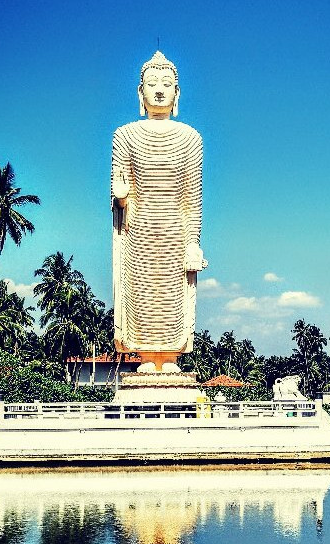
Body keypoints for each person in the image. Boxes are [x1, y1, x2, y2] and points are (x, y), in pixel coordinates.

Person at [111, 51, 205, 372]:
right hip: (139, 233)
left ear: (177, 93)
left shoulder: (191, 138)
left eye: (167, 83)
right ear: (141, 93)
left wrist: (192, 242)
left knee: (171, 299)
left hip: (175, 235)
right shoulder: (124, 135)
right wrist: (120, 196)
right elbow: (119, 187)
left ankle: (170, 357)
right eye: (152, 84)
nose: (160, 90)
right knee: (142, 296)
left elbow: (193, 199)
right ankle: (147, 357)